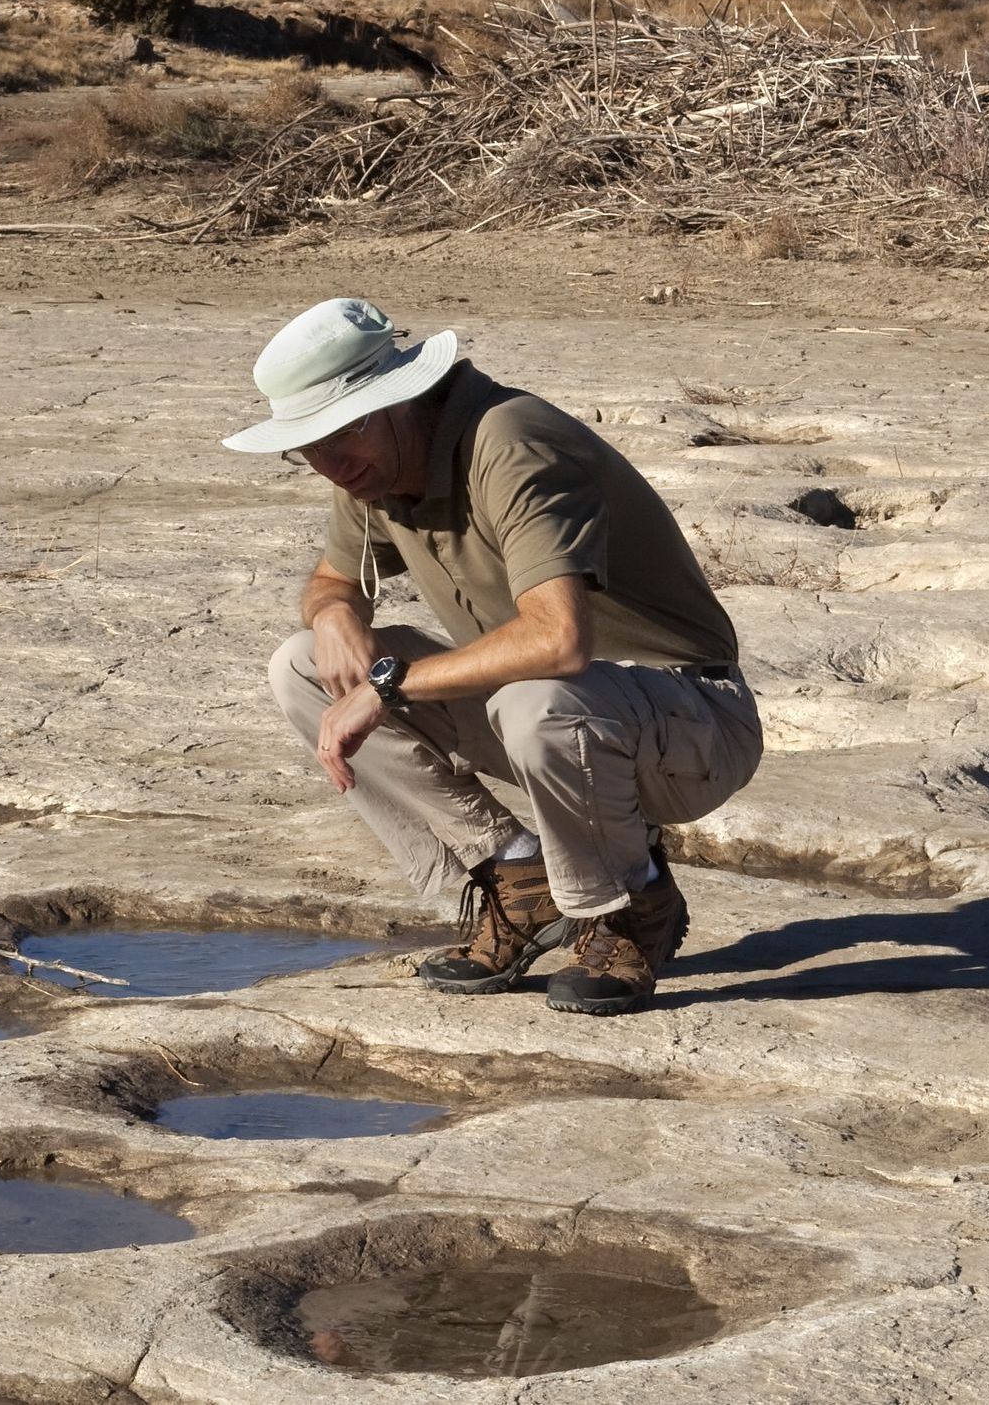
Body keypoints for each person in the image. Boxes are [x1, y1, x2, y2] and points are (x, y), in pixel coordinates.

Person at [226, 298, 762, 1015]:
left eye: (338, 432)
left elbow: (556, 639)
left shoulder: (508, 440)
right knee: (299, 667)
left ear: (396, 398)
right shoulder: (370, 464)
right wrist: (332, 615)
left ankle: (632, 902)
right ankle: (519, 875)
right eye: (308, 445)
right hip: (564, 724)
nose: (327, 463)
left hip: (691, 724)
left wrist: (386, 687)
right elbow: (331, 577)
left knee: (533, 696)